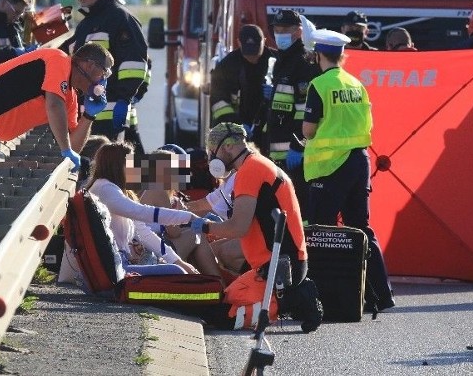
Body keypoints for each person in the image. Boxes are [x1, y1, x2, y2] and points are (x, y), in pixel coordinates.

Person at [192, 123, 323, 333]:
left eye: (212, 151)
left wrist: (204, 227)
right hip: (279, 263)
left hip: (278, 267)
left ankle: (294, 298)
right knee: (227, 297)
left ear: (226, 147)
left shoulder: (249, 171)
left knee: (224, 316)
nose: (211, 157)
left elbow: (238, 228)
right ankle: (287, 295)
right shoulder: (258, 165)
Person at [302, 28, 395, 313]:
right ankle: (381, 293)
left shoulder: (318, 85)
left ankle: (323, 295)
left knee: (321, 229)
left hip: (330, 165)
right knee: (362, 227)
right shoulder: (356, 84)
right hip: (359, 161)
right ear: (342, 55)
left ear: (319, 55)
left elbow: (309, 129)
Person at [0, 42, 113, 178]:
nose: (103, 81)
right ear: (90, 65)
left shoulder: (70, 98)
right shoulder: (59, 60)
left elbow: (73, 146)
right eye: (104, 74)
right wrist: (65, 149)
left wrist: (89, 116)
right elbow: (53, 105)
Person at [64, 0, 150, 151]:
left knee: (113, 170)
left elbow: (135, 64)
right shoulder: (86, 24)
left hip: (112, 113)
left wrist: (124, 99)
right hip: (89, 115)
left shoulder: (120, 18)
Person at [87, 141, 202, 275]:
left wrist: (179, 262)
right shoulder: (105, 189)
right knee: (176, 271)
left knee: (179, 268)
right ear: (117, 166)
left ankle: (213, 286)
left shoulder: (112, 189)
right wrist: (188, 217)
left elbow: (144, 233)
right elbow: (142, 212)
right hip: (112, 269)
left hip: (118, 264)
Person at [260, 9, 319, 211]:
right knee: (279, 205)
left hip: (295, 154)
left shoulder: (304, 62)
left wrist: (299, 146)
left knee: (298, 205)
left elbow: (306, 111)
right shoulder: (281, 61)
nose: (280, 33)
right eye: (277, 28)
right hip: (276, 149)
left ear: (298, 32)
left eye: (285, 28)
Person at [137, 147, 222, 276]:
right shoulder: (158, 191)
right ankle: (218, 282)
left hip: (144, 253)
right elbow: (174, 233)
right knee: (196, 235)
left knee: (193, 236)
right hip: (150, 257)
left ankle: (208, 282)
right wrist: (182, 217)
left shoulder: (143, 190)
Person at [209, 24, 271, 129]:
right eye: (248, 53)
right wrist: (237, 125)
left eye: (256, 53)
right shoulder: (226, 66)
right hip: (233, 128)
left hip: (267, 129)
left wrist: (275, 94)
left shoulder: (275, 61)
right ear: (239, 43)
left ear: (264, 41)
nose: (252, 57)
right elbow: (218, 103)